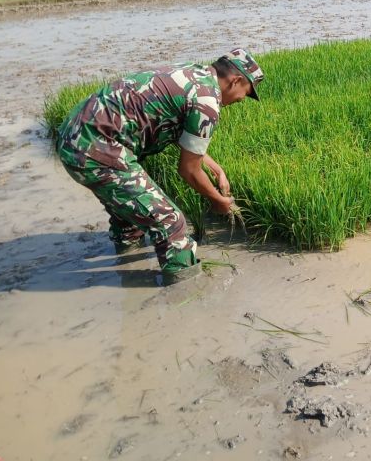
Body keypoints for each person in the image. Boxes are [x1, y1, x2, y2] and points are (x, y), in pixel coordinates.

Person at [56, 49, 264, 285]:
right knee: (171, 222)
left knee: (131, 217)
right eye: (245, 93)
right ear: (235, 80)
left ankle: (127, 268)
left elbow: (174, 128)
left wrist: (216, 169)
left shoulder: (192, 73)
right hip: (95, 149)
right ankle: (187, 294)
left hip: (74, 134)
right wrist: (218, 200)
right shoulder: (208, 103)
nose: (240, 100)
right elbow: (189, 170)